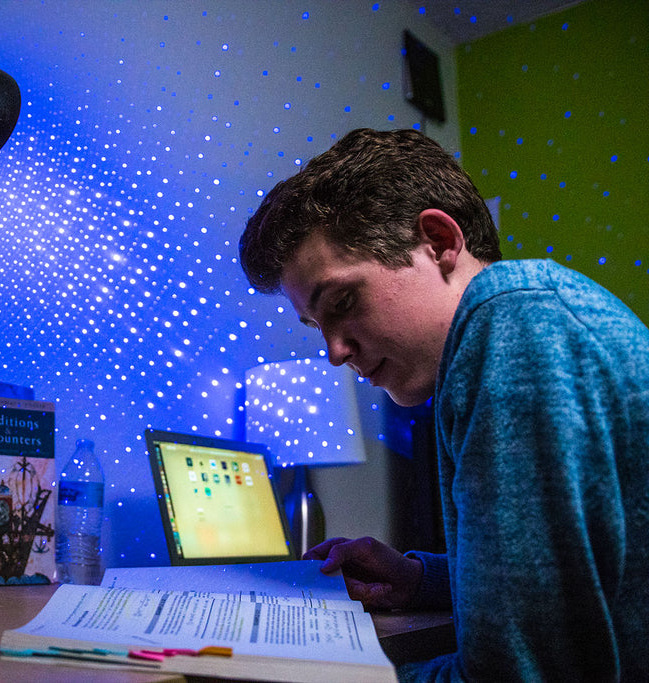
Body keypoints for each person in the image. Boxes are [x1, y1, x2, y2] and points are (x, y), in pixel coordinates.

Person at [239, 128, 649, 681]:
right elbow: (572, 578)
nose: (335, 352)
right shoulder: (521, 317)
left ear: (438, 242)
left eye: (342, 301)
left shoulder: (515, 330)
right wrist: (418, 579)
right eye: (318, 326)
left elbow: (522, 674)